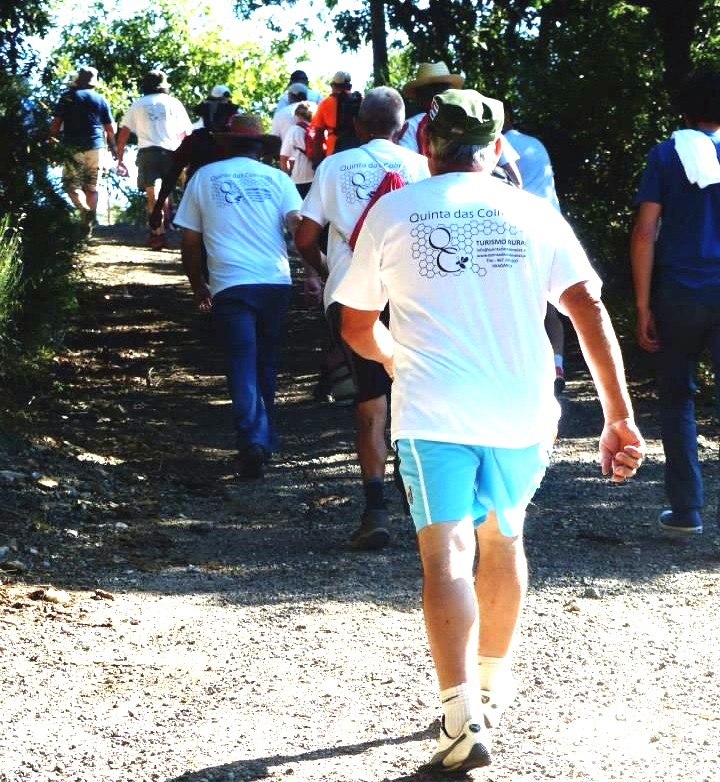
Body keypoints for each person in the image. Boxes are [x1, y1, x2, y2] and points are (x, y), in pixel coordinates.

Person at [335, 89, 645, 772]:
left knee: (444, 554)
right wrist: (618, 415)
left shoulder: (393, 210)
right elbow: (586, 307)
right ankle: (492, 689)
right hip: (521, 410)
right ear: (498, 149)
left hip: (432, 411)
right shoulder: (536, 212)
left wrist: (394, 358)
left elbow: (354, 322)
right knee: (503, 541)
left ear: (426, 146)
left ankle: (459, 714)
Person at [295, 87, 430, 550]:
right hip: (415, 297)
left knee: (370, 402)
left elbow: (305, 234)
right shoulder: (422, 167)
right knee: (415, 397)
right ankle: (422, 504)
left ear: (356, 125)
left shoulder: (333, 165)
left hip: (352, 298)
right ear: (402, 125)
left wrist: (327, 270)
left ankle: (376, 510)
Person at [173, 115, 302, 479]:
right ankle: (264, 438)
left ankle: (252, 442)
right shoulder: (278, 179)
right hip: (275, 282)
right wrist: (314, 269)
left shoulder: (203, 178)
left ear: (225, 144)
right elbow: (296, 224)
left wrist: (199, 286)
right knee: (267, 361)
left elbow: (190, 242)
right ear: (259, 146)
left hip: (230, 284)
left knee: (241, 361)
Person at [631, 68, 720, 537]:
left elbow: (647, 231)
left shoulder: (665, 156)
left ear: (684, 111)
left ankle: (686, 510)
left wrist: (643, 304)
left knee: (676, 400)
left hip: (679, 293)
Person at [503, 103, 566, 394]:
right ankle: (557, 365)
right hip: (553, 226)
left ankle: (523, 370)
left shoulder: (498, 146)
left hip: (520, 230)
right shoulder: (534, 143)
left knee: (520, 305)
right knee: (551, 307)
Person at [398, 61, 522, 187]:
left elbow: (406, 172)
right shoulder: (483, 119)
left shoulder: (412, 126)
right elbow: (516, 181)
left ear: (418, 96)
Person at [116, 70, 193, 250]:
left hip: (147, 154)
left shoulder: (137, 104)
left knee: (153, 194)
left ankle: (158, 233)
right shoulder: (174, 103)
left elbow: (124, 131)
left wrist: (119, 156)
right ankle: (167, 227)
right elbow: (186, 133)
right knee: (166, 193)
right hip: (173, 154)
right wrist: (189, 157)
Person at [148, 86, 239, 231]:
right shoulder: (235, 141)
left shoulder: (200, 138)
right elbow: (174, 170)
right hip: (217, 200)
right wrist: (158, 207)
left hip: (214, 198)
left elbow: (174, 171)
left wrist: (158, 207)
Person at [49, 65, 116, 233]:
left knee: (72, 185)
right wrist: (114, 148)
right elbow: (109, 127)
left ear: (77, 80)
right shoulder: (100, 99)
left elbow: (56, 124)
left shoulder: (67, 97)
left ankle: (84, 210)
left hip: (73, 147)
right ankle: (88, 226)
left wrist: (52, 143)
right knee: (92, 187)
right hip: (97, 148)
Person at [310, 71, 360, 166]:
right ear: (350, 86)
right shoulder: (360, 101)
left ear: (333, 85)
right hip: (357, 151)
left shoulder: (325, 103)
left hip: (334, 153)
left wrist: (317, 163)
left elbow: (318, 136)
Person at [279, 101, 316, 198]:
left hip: (300, 178)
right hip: (317, 176)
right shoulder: (316, 130)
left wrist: (286, 178)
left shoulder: (294, 130)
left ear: (297, 115)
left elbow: (284, 157)